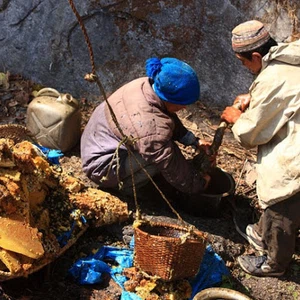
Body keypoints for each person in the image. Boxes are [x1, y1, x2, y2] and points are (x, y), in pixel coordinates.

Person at [221, 20, 300, 277]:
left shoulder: (272, 79)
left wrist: (235, 117)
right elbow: (283, 97)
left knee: (282, 202)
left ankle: (274, 263)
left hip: (294, 156)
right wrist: (255, 97)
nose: (245, 68)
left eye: (244, 62)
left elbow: (250, 133)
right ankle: (261, 232)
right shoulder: (291, 58)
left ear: (256, 55)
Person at [81, 57, 212, 199]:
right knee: (159, 160)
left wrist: (193, 141)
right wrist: (198, 183)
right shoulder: (151, 128)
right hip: (101, 167)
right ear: (169, 98)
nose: (185, 107)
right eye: (182, 104)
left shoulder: (147, 85)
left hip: (97, 142)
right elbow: (167, 161)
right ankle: (127, 188)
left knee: (160, 146)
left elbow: (165, 116)